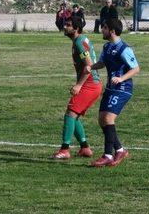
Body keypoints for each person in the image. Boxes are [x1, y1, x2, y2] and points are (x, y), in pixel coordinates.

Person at [89, 18, 140, 167]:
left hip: (123, 90)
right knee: (102, 120)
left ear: (111, 30)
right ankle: (120, 150)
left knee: (108, 118)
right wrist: (91, 67)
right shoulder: (106, 47)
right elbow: (102, 63)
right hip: (111, 89)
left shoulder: (124, 48)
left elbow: (136, 68)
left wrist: (121, 78)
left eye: (104, 28)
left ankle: (108, 155)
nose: (102, 30)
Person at [51, 16, 101, 159]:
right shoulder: (79, 40)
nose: (65, 27)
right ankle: (85, 148)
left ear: (77, 28)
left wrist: (79, 85)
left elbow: (88, 65)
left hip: (90, 84)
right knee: (75, 116)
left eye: (68, 25)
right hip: (92, 84)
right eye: (65, 24)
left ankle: (64, 150)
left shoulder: (79, 42)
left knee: (70, 114)